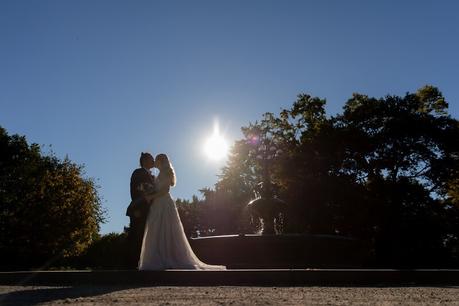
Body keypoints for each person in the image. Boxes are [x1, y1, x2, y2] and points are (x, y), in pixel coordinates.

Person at [139, 153, 226, 270]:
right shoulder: (159, 174)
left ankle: (169, 257)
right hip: (157, 204)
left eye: (156, 160)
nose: (154, 162)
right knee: (157, 229)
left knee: (166, 229)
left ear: (161, 161)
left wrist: (151, 196)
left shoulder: (167, 172)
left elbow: (165, 190)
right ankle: (159, 256)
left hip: (164, 203)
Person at [126, 152, 163, 268]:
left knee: (143, 236)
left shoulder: (151, 175)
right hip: (139, 209)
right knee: (136, 236)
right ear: (145, 161)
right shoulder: (138, 172)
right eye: (151, 159)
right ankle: (131, 265)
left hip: (148, 209)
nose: (153, 161)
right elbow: (136, 190)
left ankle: (141, 263)